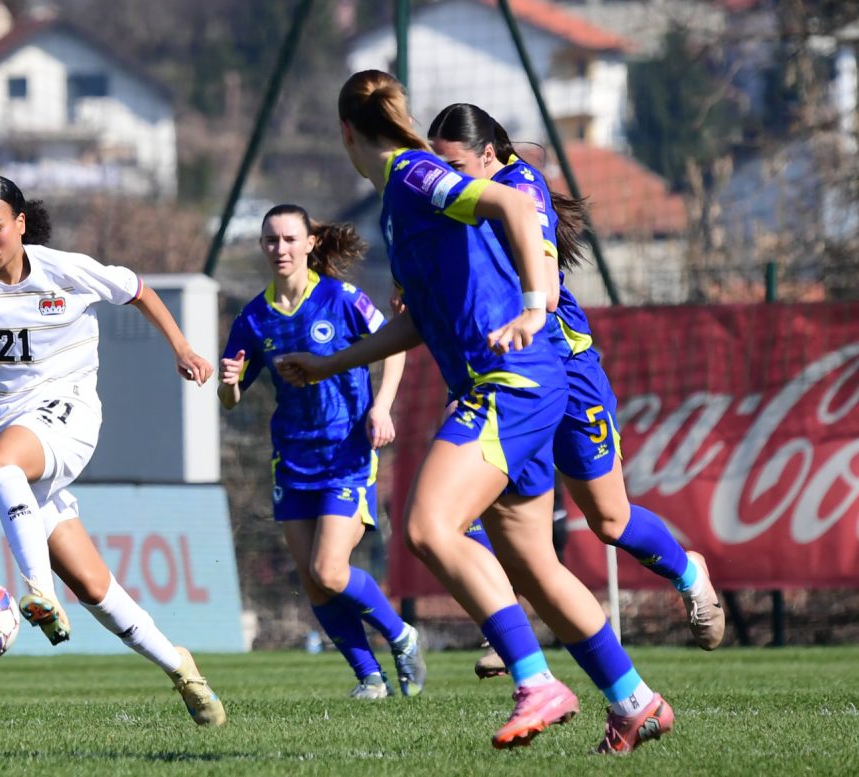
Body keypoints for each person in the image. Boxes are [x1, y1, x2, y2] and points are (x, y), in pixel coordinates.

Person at [276, 71, 673, 754]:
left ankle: (536, 681)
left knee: (428, 526)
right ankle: (635, 702)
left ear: (346, 132)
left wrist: (535, 304)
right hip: (518, 383)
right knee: (535, 568)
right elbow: (421, 321)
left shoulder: (413, 176)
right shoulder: (399, 200)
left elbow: (515, 205)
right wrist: (332, 363)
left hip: (509, 380)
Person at [0, 174, 226, 727]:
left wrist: (182, 348)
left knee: (3, 463)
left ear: (20, 223)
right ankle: (181, 669)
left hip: (66, 414)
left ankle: (39, 590)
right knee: (93, 586)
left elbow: (138, 290)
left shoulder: (65, 270)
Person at [425, 103, 725, 682]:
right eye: (437, 166)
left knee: (610, 521)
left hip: (566, 366)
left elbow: (541, 273)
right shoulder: (458, 197)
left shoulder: (520, 187)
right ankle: (510, 626)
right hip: (507, 374)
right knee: (466, 507)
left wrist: (532, 307)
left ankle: (690, 574)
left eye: (454, 166)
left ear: (487, 155)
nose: (445, 179)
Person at [218, 203, 425, 699]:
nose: (281, 249)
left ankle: (402, 636)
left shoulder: (341, 298)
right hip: (292, 460)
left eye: (290, 239)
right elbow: (231, 399)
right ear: (261, 246)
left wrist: (382, 407)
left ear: (310, 243)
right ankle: (369, 677)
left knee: (328, 570)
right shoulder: (254, 317)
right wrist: (227, 383)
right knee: (314, 583)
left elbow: (395, 345)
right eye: (271, 240)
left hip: (346, 454)